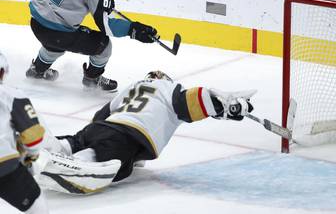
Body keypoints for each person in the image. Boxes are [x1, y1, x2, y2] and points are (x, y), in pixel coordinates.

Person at [37, 70, 255, 193]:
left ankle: (57, 146)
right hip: (128, 135)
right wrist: (227, 106)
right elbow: (192, 102)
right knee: (109, 157)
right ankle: (74, 161)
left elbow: (101, 116)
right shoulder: (169, 90)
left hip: (102, 127)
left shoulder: (132, 87)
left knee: (82, 139)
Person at [26, 0, 158, 92]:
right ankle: (92, 79)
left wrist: (103, 2)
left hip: (37, 22)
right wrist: (133, 29)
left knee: (56, 43)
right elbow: (106, 25)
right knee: (103, 46)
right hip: (56, 31)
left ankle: (37, 70)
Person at [0, 51, 49, 213]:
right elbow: (33, 137)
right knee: (37, 207)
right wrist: (30, 156)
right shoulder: (10, 94)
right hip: (4, 164)